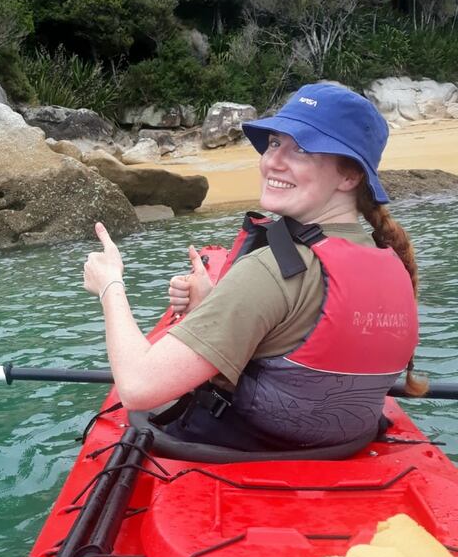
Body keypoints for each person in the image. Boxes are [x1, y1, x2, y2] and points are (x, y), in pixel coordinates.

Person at [83, 83, 426, 452]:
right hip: (343, 447)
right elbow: (303, 334)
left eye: (303, 149)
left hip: (250, 451)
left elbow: (137, 387)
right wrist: (214, 304)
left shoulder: (272, 269)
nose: (272, 161)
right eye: (275, 143)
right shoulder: (392, 262)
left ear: (350, 176)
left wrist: (109, 284)